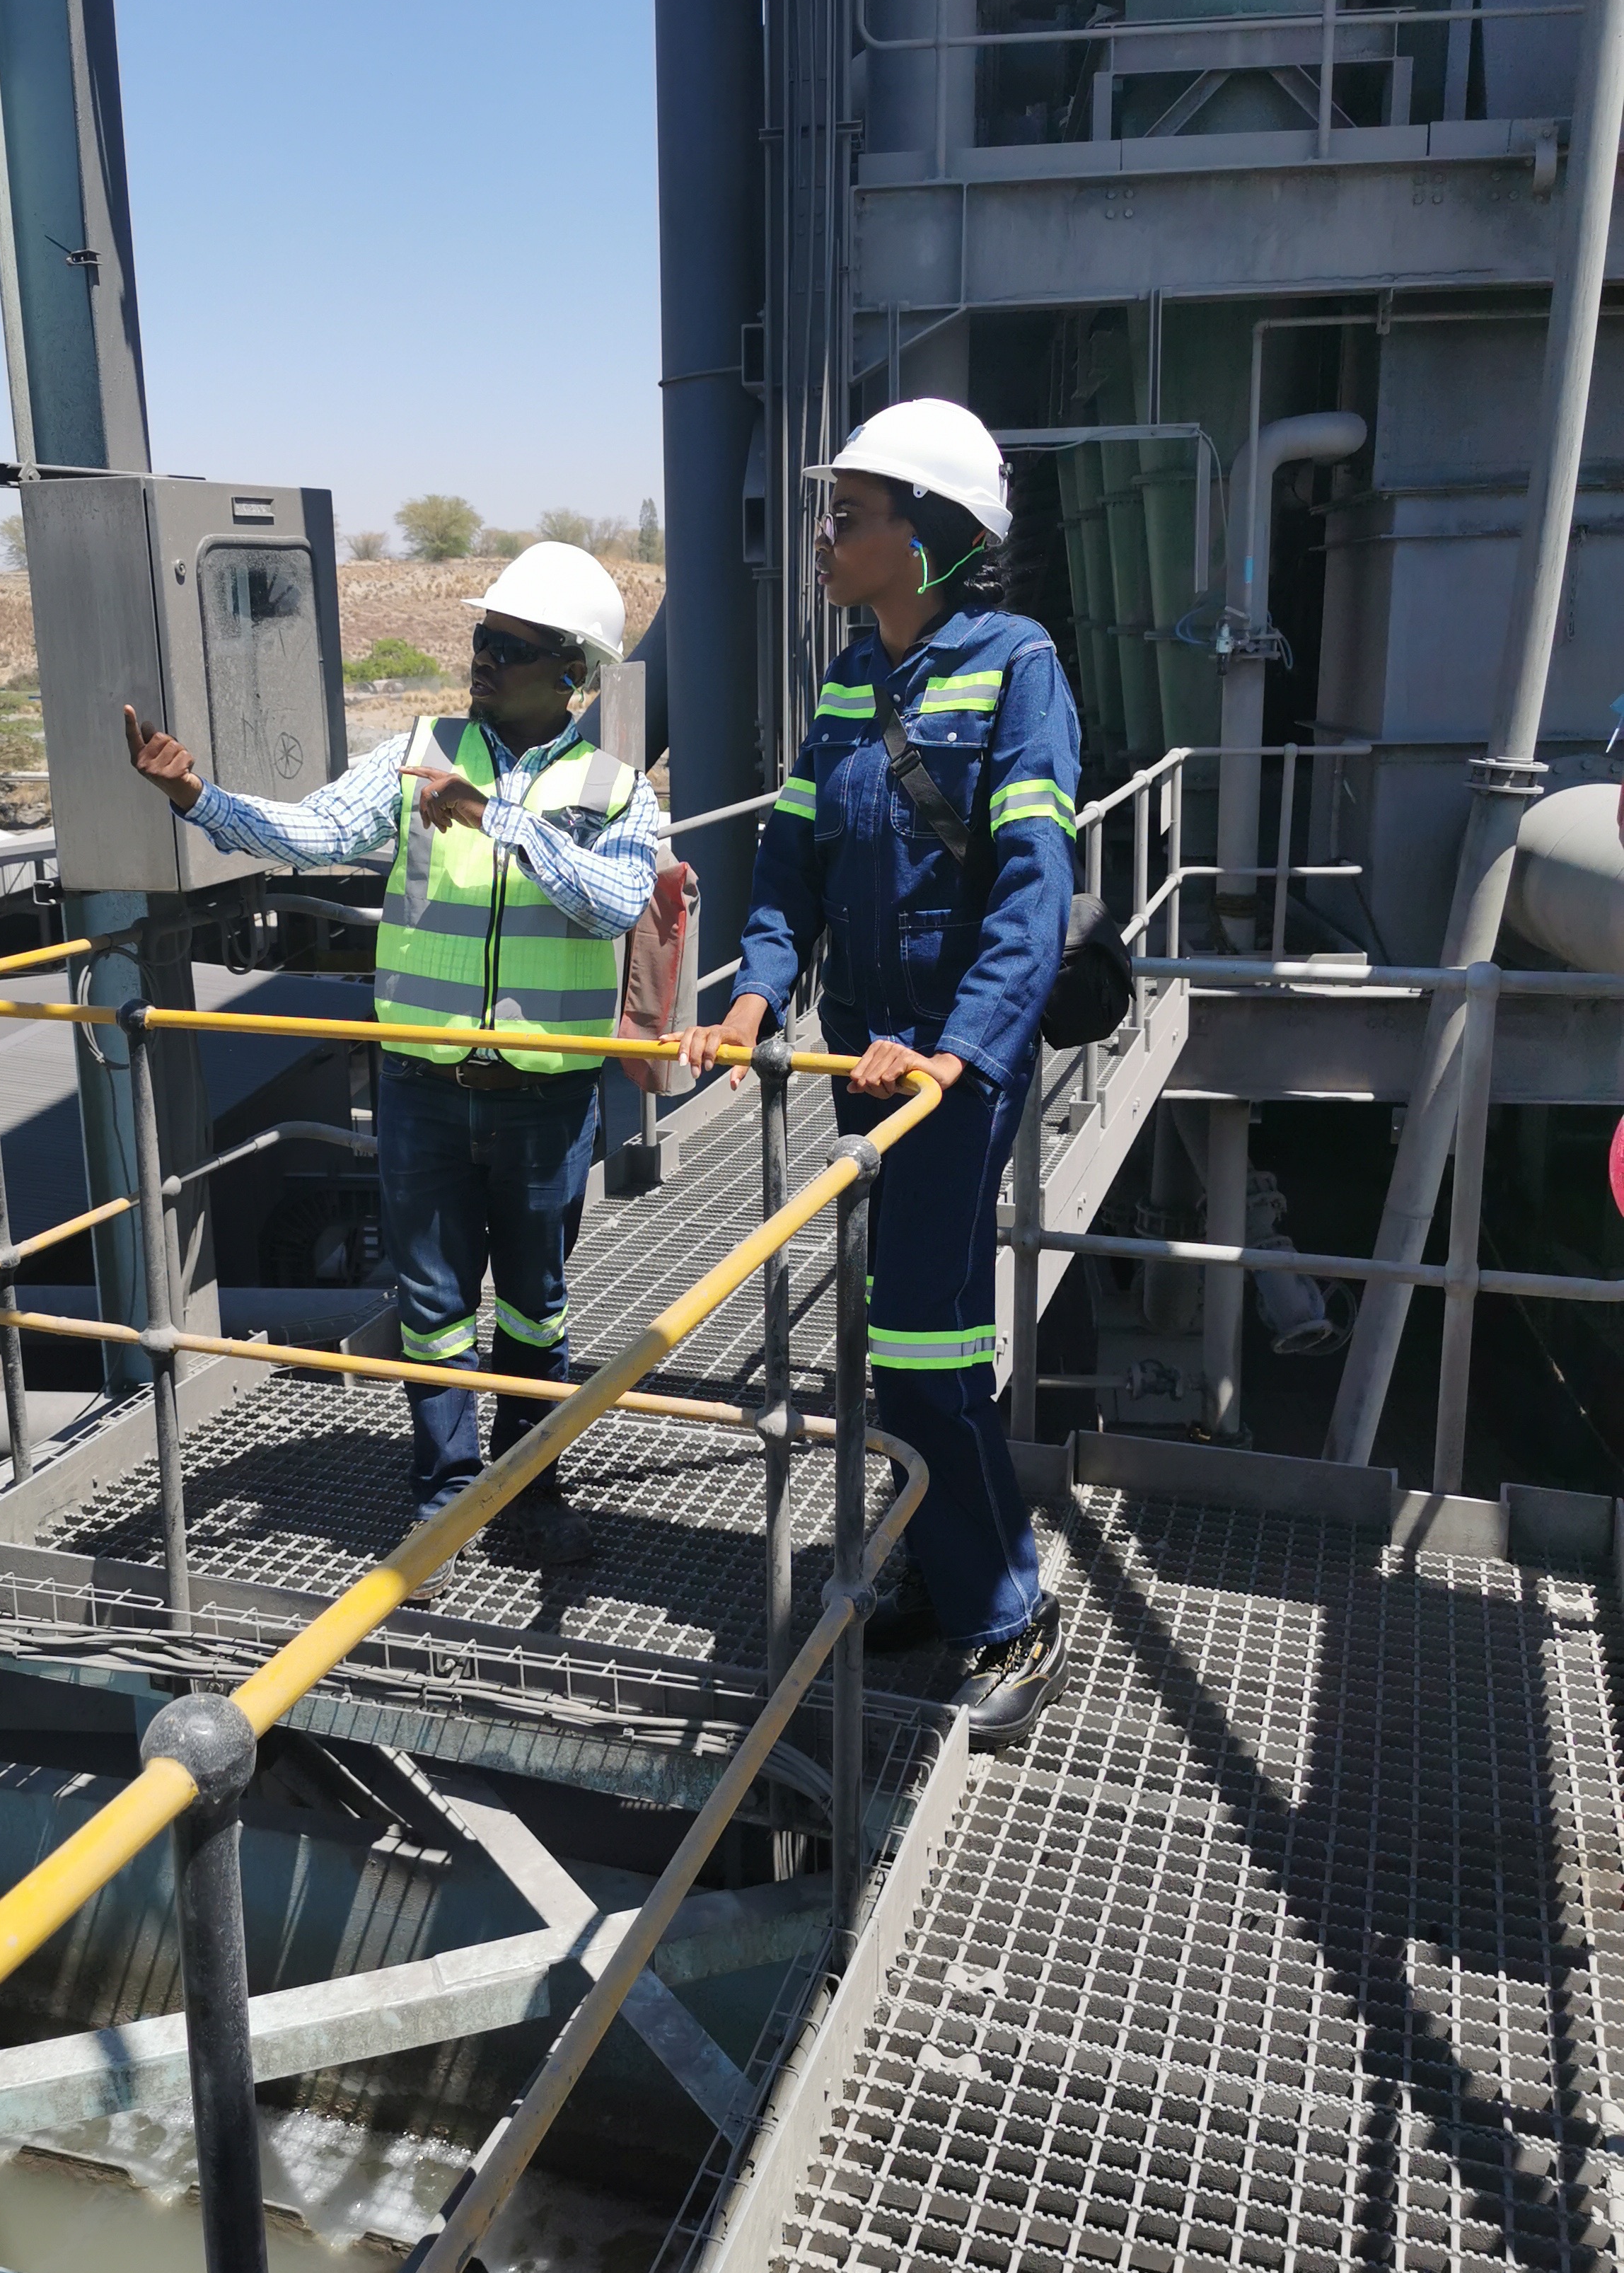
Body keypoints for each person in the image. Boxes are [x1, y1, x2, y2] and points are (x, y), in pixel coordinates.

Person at [124, 539, 659, 1578]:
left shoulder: (614, 788)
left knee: (536, 1306)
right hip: (420, 1088)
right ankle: (448, 1497)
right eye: (481, 639)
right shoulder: (420, 749)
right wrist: (199, 799)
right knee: (430, 1305)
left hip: (545, 1100)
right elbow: (318, 832)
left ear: (573, 674)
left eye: (510, 645)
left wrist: (493, 818)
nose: (484, 658)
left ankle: (531, 1491)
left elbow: (617, 903)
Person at [674, 399, 1079, 1742]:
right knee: (899, 1341)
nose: (822, 538)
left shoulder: (1016, 668)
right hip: (862, 1056)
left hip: (948, 1076)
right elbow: (791, 864)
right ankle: (934, 1556)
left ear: (935, 535)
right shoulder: (851, 679)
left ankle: (1007, 1609)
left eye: (848, 515)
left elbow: (1031, 888)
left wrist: (959, 1051)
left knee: (927, 1350)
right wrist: (751, 993)